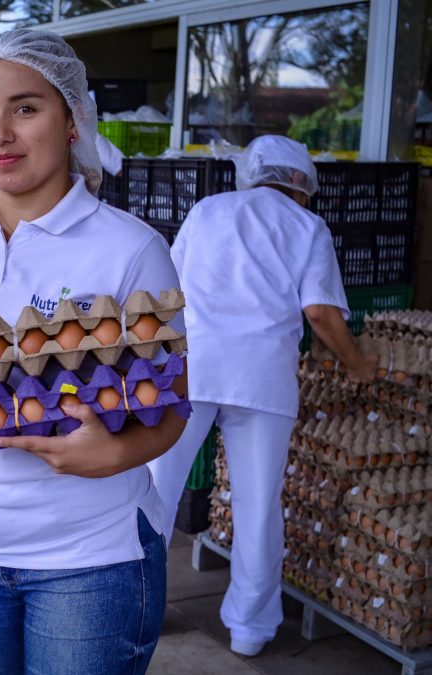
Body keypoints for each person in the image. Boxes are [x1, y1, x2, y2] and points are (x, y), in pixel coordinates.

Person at [0, 29, 187, 675]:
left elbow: (174, 405)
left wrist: (116, 452)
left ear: (72, 119)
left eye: (25, 107)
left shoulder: (131, 249)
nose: (1, 133)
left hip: (88, 560)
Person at [147, 135, 376, 658]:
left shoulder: (208, 210)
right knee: (257, 504)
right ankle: (249, 631)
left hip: (193, 367)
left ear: (252, 175)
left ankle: (135, 605)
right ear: (301, 185)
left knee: (156, 490)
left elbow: (166, 291)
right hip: (262, 379)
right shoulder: (307, 226)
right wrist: (358, 365)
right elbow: (320, 313)